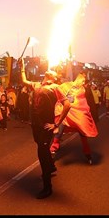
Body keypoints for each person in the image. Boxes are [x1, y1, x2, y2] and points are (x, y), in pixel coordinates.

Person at [19, 58, 70, 199]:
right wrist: (22, 67)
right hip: (35, 124)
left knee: (42, 153)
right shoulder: (36, 84)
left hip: (46, 126)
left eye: (54, 72)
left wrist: (57, 124)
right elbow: (24, 81)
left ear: (54, 77)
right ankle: (51, 167)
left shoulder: (55, 88)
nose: (51, 69)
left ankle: (48, 187)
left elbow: (67, 105)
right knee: (42, 148)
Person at [48, 73, 98, 165]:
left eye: (84, 80)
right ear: (78, 78)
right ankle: (52, 151)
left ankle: (87, 154)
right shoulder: (66, 85)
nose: (83, 82)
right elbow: (58, 93)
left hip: (78, 114)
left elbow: (86, 102)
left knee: (83, 134)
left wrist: (90, 114)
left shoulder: (83, 89)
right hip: (66, 113)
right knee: (59, 131)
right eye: (82, 79)